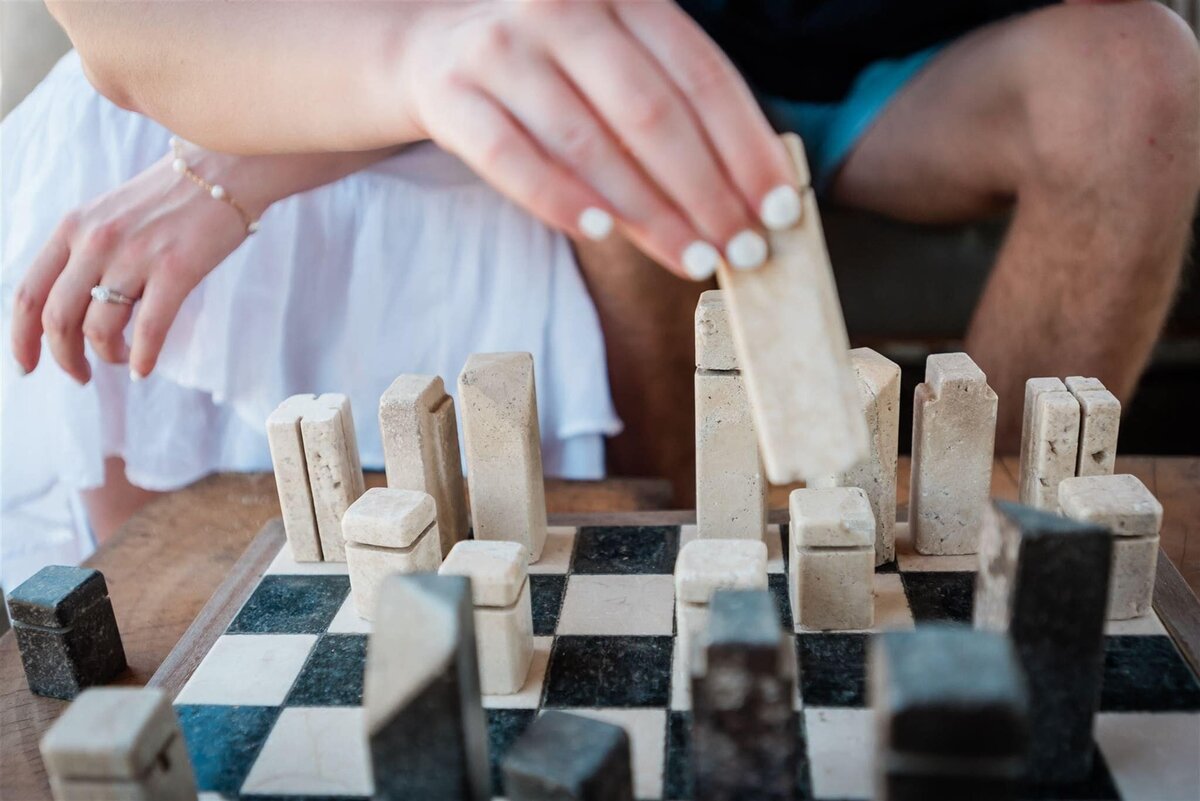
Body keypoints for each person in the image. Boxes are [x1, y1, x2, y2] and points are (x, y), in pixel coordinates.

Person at [3, 2, 1197, 583]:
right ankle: (721, 561)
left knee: (1143, 77)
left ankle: (971, 558)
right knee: (608, 108)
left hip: (907, 59)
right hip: (618, 46)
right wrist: (241, 159)